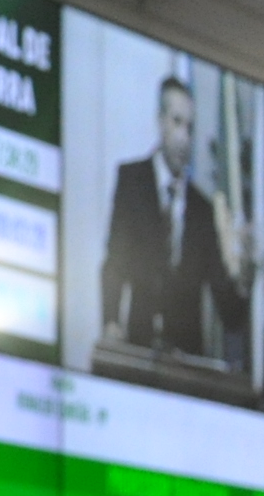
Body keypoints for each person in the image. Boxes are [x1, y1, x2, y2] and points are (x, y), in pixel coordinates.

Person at [97, 75, 246, 362]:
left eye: (190, 127)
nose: (184, 138)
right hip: (138, 348)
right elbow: (114, 260)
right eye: (177, 123)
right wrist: (111, 323)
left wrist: (245, 272)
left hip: (187, 362)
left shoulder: (203, 209)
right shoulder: (131, 181)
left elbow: (228, 310)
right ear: (160, 121)